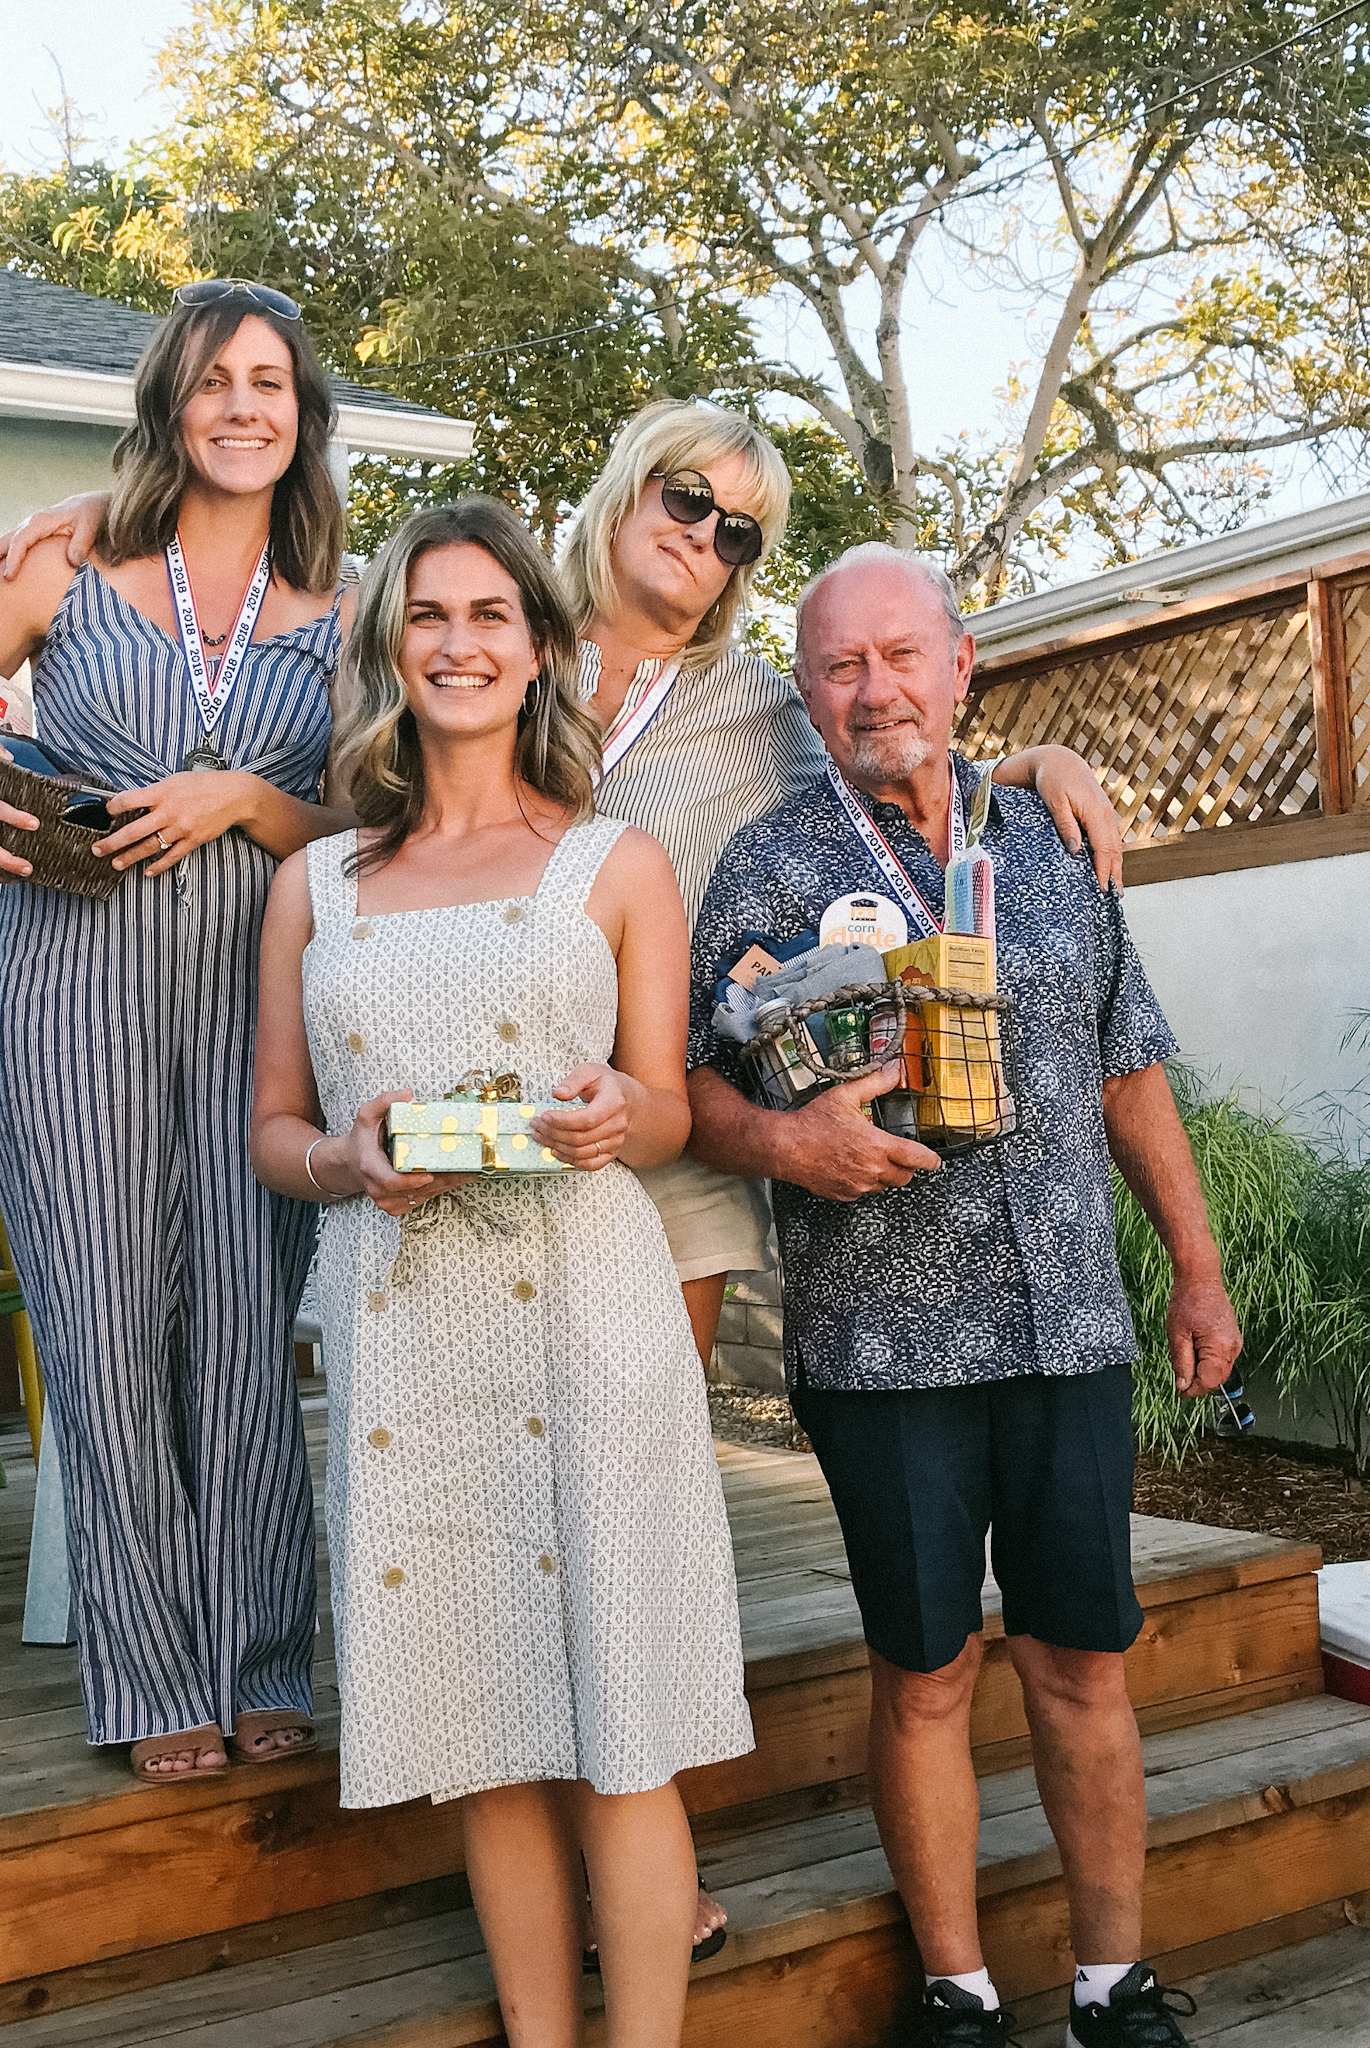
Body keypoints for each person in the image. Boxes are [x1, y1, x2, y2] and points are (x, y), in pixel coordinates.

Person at [0, 397, 1123, 1939]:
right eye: (683, 496)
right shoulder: (492, 617)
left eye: (742, 530)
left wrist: (1041, 751)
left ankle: (658, 1866)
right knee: (490, 1493)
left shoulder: (763, 714)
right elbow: (320, 710)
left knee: (636, 1503)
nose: (706, 536)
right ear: (618, 485)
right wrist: (96, 538)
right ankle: (516, 1797)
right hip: (457, 1130)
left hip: (667, 1129)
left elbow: (903, 728)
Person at [684, 543, 1243, 2048]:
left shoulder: (1056, 836)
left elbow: (1131, 1067)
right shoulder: (770, 867)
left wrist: (1196, 1266)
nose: (876, 691)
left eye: (900, 656)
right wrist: (786, 1138)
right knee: (923, 1675)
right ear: (809, 691)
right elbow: (691, 1094)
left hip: (1069, 1324)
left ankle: (1114, 1985)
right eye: (841, 668)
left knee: (1082, 1662)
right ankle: (956, 1990)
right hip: (884, 1343)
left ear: (961, 659)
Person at [249, 496, 752, 2048]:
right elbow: (276, 1129)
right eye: (428, 616)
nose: (459, 645)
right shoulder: (316, 885)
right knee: (480, 1726)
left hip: (590, 1323)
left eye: (490, 617)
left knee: (624, 1730)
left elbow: (664, 1103)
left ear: (540, 648)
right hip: (410, 1339)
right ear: (390, 647)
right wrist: (348, 1158)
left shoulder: (618, 863)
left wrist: (620, 1111)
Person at [0, 281, 357, 1779]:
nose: (244, 406)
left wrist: (257, 802)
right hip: (72, 1005)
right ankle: (147, 1676)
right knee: (104, 1330)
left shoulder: (348, 613)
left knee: (252, 1338)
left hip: (263, 1016)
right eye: (215, 380)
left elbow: (379, 819)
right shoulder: (68, 560)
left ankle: (263, 1654)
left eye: (271, 381)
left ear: (302, 417)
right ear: (171, 407)